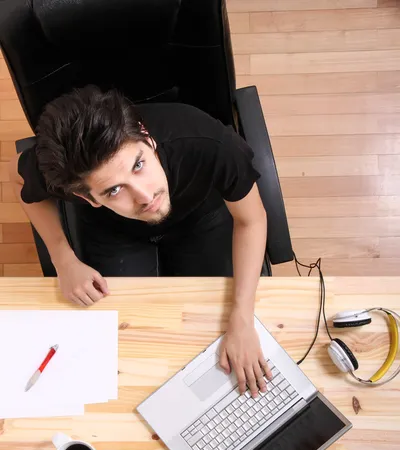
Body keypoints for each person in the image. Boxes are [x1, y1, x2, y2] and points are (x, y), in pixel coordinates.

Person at [10, 85, 271, 395]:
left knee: (212, 317)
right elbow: (16, 177)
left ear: (147, 139)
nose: (147, 197)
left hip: (199, 215)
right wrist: (63, 259)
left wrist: (243, 318)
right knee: (118, 342)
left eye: (139, 165)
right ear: (84, 196)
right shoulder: (65, 177)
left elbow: (251, 220)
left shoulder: (209, 142)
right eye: (114, 190)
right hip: (114, 231)